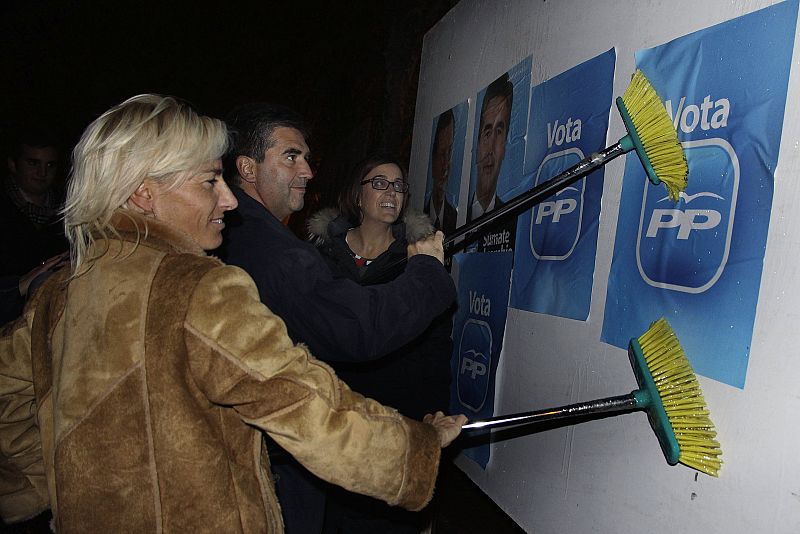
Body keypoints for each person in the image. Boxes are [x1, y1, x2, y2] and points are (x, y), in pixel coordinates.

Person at [0, 94, 466, 533]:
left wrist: (63, 479)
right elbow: (306, 407)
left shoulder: (58, 294)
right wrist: (416, 448)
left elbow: (12, 411)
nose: (227, 199)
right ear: (144, 194)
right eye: (209, 182)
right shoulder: (196, 288)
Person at [217, 103, 458, 534]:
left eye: (399, 185)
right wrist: (427, 275)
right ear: (247, 168)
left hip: (348, 445)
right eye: (291, 157)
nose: (307, 170)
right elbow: (355, 330)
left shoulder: (255, 239)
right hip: (289, 461)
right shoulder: (284, 253)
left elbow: (429, 359)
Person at [309, 155, 454, 533]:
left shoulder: (418, 262)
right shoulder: (318, 259)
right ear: (358, 195)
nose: (391, 191)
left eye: (399, 185)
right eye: (379, 183)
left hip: (393, 419)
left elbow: (436, 345)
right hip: (328, 420)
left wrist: (430, 415)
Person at [0, 125, 69, 277]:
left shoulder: (69, 209)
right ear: (13, 164)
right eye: (33, 163)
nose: (42, 173)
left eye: (50, 165)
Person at [467, 73, 516, 252]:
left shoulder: (513, 224)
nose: (491, 149)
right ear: (477, 143)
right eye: (487, 133)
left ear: (505, 146)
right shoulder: (455, 221)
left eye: (499, 132)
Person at [424, 110, 457, 235]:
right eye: (442, 153)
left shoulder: (455, 218)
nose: (445, 165)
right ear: (432, 158)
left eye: (449, 152)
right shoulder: (416, 220)